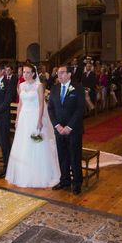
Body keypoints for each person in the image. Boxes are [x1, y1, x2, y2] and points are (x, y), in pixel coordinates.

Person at [6, 65, 60, 188]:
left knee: (36, 143)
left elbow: (41, 104)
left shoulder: (39, 86)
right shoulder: (21, 86)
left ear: (33, 73)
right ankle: (24, 173)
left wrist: (40, 119)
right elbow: (20, 104)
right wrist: (18, 118)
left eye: (28, 72)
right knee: (24, 144)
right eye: (24, 72)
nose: (25, 74)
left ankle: (38, 173)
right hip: (24, 118)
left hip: (35, 116)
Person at [48, 66, 85, 195]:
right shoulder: (54, 88)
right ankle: (65, 180)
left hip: (73, 129)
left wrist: (69, 126)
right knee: (62, 155)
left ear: (69, 74)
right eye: (58, 73)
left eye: (62, 73)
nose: (59, 75)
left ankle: (77, 182)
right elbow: (50, 109)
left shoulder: (78, 88)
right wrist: (57, 125)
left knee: (74, 156)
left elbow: (80, 109)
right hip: (59, 129)